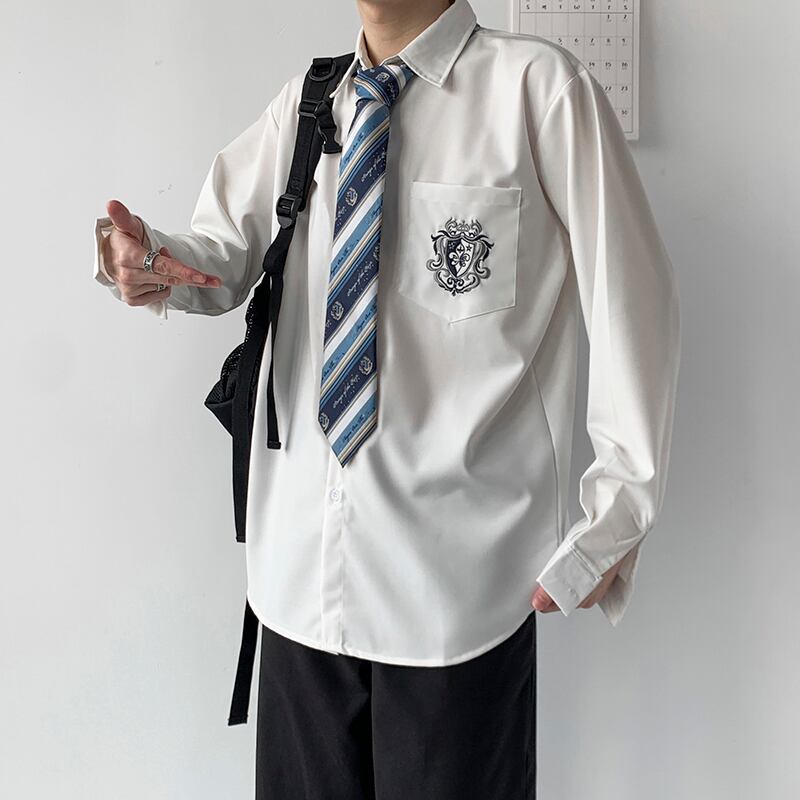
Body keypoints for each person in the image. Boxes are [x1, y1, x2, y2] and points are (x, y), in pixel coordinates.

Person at [92, 0, 681, 797]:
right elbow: (220, 256)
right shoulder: (308, 103)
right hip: (296, 583)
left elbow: (633, 299)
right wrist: (147, 261)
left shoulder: (539, 92)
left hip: (456, 595)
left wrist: (615, 518)